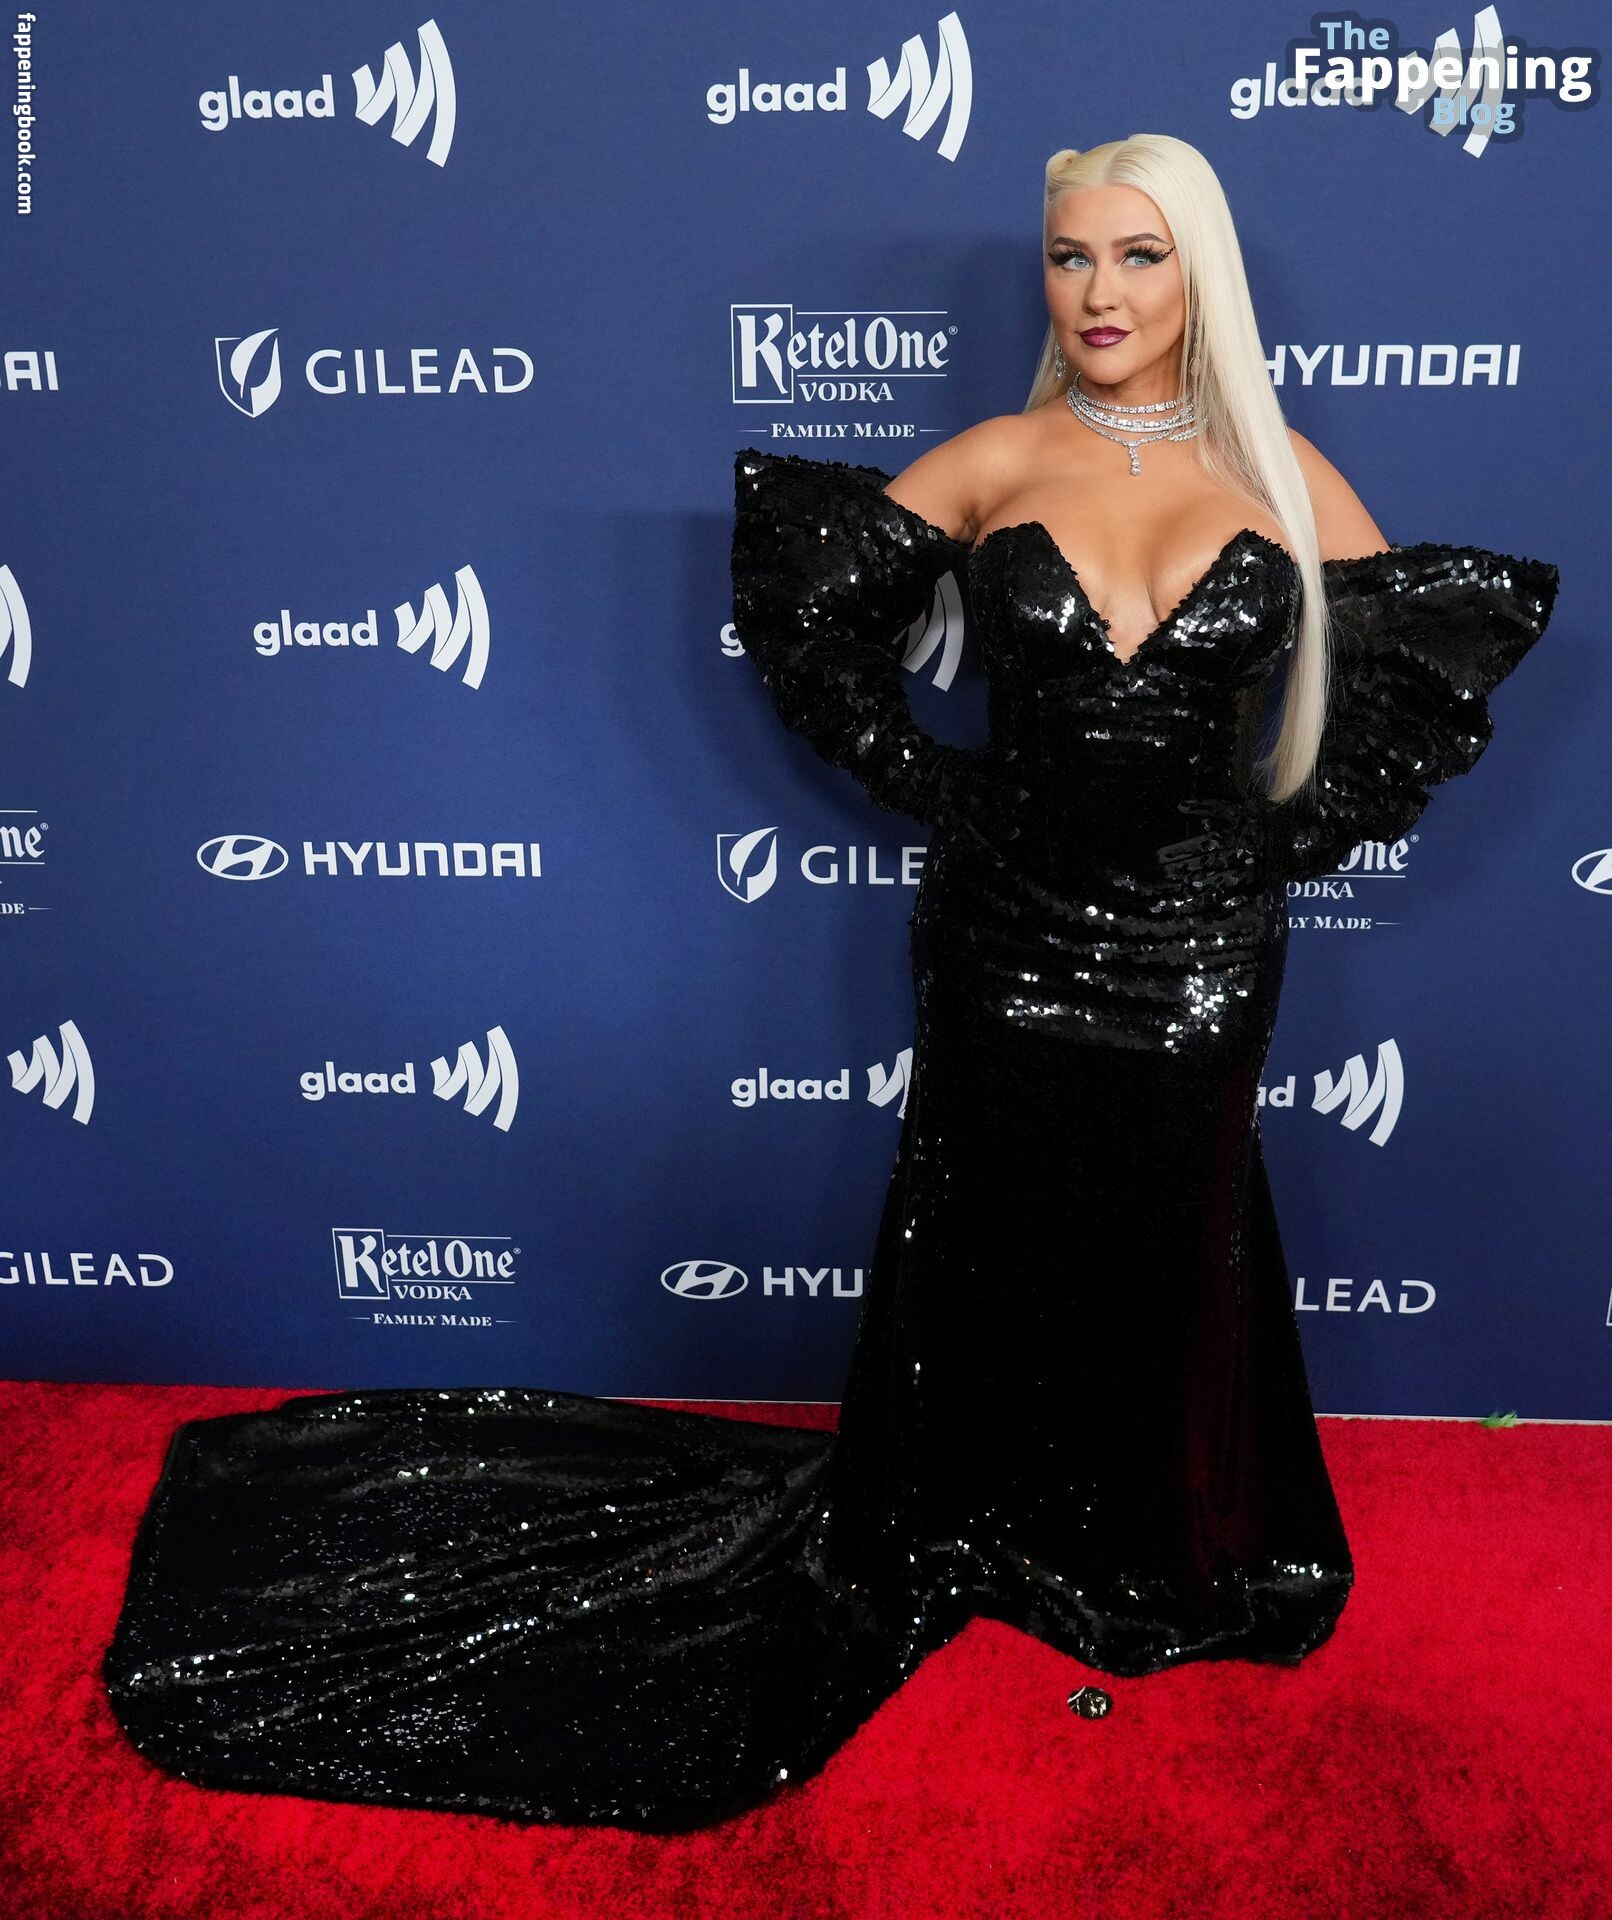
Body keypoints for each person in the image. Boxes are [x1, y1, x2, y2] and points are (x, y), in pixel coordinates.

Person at [101, 135, 1559, 1833]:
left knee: (1175, 1222)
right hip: (1008, 931)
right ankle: (966, 1515)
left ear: (1199, 276)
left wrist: (1270, 843)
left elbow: (1413, 684)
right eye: (1070, 257)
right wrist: (935, 782)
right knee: (988, 1214)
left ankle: (1138, 1541)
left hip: (1199, 952)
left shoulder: (1286, 475)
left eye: (1138, 256)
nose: (1097, 293)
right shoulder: (999, 458)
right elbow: (807, 614)